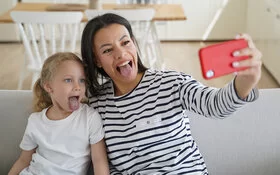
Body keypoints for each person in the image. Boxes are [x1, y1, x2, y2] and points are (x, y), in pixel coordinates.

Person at [81, 13, 262, 175]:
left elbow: (215, 106)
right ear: (96, 60)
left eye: (125, 42)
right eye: (107, 50)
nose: (120, 53)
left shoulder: (170, 82)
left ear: (134, 43)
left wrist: (245, 81)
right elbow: (106, 165)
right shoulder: (97, 104)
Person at [8, 52, 110, 175]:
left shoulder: (90, 118)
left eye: (82, 80)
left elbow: (99, 161)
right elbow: (24, 160)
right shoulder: (35, 121)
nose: (77, 87)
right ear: (49, 87)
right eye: (68, 80)